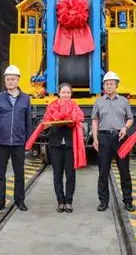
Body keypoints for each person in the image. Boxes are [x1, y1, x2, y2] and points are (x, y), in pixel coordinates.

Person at [0, 65, 32, 212]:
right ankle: (0, 201)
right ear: (5, 80)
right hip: (1, 142)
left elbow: (28, 121)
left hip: (19, 142)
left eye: (13, 79)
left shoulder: (25, 98)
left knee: (19, 173)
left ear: (18, 80)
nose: (10, 81)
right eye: (8, 79)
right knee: (0, 174)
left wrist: (28, 140)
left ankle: (20, 200)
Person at [92, 71, 135, 212]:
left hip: (120, 138)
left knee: (124, 171)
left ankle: (128, 201)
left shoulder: (124, 101)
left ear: (116, 85)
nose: (109, 86)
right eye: (106, 84)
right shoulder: (99, 101)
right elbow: (95, 120)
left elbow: (130, 118)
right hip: (104, 138)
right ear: (103, 86)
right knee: (103, 171)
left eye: (111, 84)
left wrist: (125, 128)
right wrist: (95, 138)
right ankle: (103, 201)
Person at [49, 82, 81, 214]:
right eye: (63, 92)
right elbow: (47, 119)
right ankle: (60, 201)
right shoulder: (52, 105)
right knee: (57, 174)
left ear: (71, 94)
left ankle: (68, 202)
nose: (66, 95)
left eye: (68, 92)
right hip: (55, 144)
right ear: (59, 93)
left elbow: (79, 119)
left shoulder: (75, 106)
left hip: (70, 144)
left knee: (70, 174)